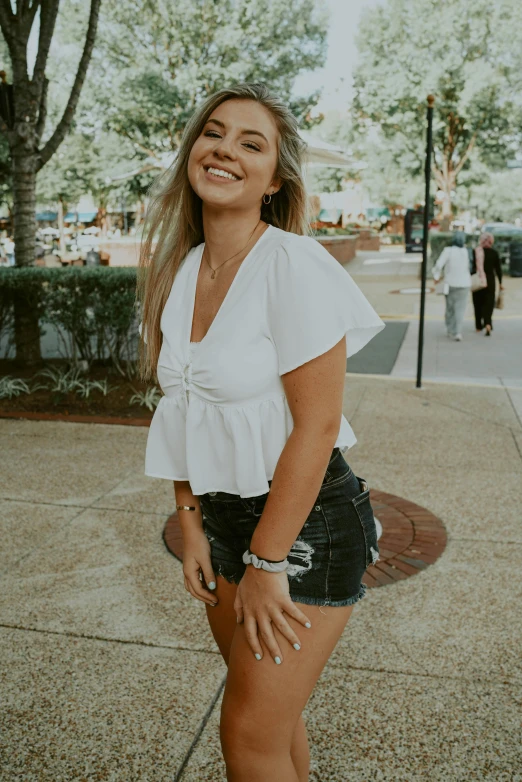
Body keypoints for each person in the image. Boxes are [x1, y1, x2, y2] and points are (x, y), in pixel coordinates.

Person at [137, 83, 384, 781]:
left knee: (247, 734)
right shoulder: (180, 269)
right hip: (219, 524)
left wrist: (269, 562)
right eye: (214, 133)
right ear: (193, 149)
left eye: (252, 143)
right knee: (272, 721)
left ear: (275, 180)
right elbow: (181, 412)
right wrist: (190, 522)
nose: (224, 150)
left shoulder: (293, 265)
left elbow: (318, 426)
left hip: (302, 530)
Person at [432, 230, 471, 341]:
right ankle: (458, 332)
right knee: (460, 309)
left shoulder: (448, 251)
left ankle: (450, 329)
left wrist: (436, 277)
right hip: (464, 284)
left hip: (450, 283)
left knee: (450, 308)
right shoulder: (466, 251)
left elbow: (438, 265)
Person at [472, 232, 504, 336]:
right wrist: (500, 283)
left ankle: (478, 326)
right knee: (489, 304)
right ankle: (488, 323)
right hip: (490, 282)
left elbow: (471, 268)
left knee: (477, 304)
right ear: (491, 241)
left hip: (478, 281)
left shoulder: (476, 251)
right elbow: (498, 270)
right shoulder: (494, 253)